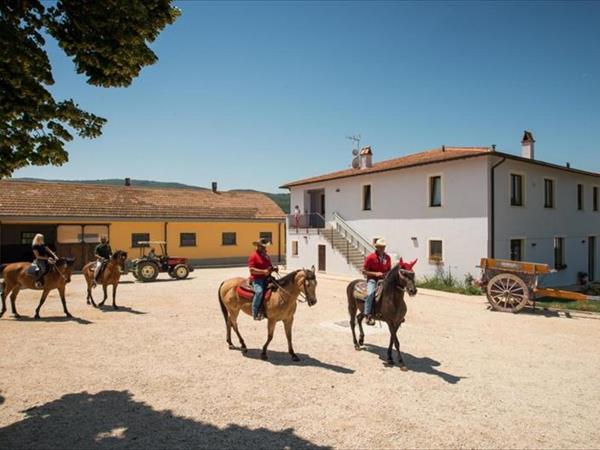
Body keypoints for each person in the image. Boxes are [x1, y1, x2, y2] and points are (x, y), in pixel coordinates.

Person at [363, 238, 392, 326]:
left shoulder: (387, 258)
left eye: (383, 247)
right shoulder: (370, 257)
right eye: (380, 247)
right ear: (377, 247)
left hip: (384, 279)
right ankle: (367, 314)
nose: (382, 249)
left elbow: (389, 270)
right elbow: (364, 271)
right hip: (373, 279)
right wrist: (375, 274)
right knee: (370, 294)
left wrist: (386, 274)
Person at [248, 237, 277, 320]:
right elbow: (252, 270)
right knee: (259, 292)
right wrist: (263, 271)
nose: (264, 248)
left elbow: (269, 266)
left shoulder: (266, 256)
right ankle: (255, 312)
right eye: (262, 246)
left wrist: (273, 268)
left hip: (267, 278)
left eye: (264, 246)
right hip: (257, 279)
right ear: (257, 246)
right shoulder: (253, 256)